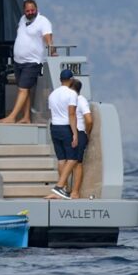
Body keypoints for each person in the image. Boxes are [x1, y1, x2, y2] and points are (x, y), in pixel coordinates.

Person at [0, 0, 57, 124]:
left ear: (36, 9)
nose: (30, 12)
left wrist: (52, 51)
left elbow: (48, 38)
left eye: (32, 10)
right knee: (25, 89)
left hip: (32, 61)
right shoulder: (22, 20)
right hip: (19, 61)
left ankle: (12, 117)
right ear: (24, 11)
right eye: (28, 10)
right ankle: (26, 117)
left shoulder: (43, 21)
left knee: (23, 89)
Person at [48, 68, 78, 199]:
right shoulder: (72, 94)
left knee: (61, 159)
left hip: (54, 127)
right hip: (65, 127)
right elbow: (71, 114)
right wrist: (75, 133)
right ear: (71, 80)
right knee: (72, 158)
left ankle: (64, 189)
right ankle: (60, 186)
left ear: (60, 80)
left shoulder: (52, 94)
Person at [69, 78, 93, 199]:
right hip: (73, 132)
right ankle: (70, 190)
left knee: (77, 163)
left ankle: (75, 191)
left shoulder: (80, 100)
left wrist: (86, 132)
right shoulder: (75, 100)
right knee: (73, 163)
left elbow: (89, 119)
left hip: (77, 132)